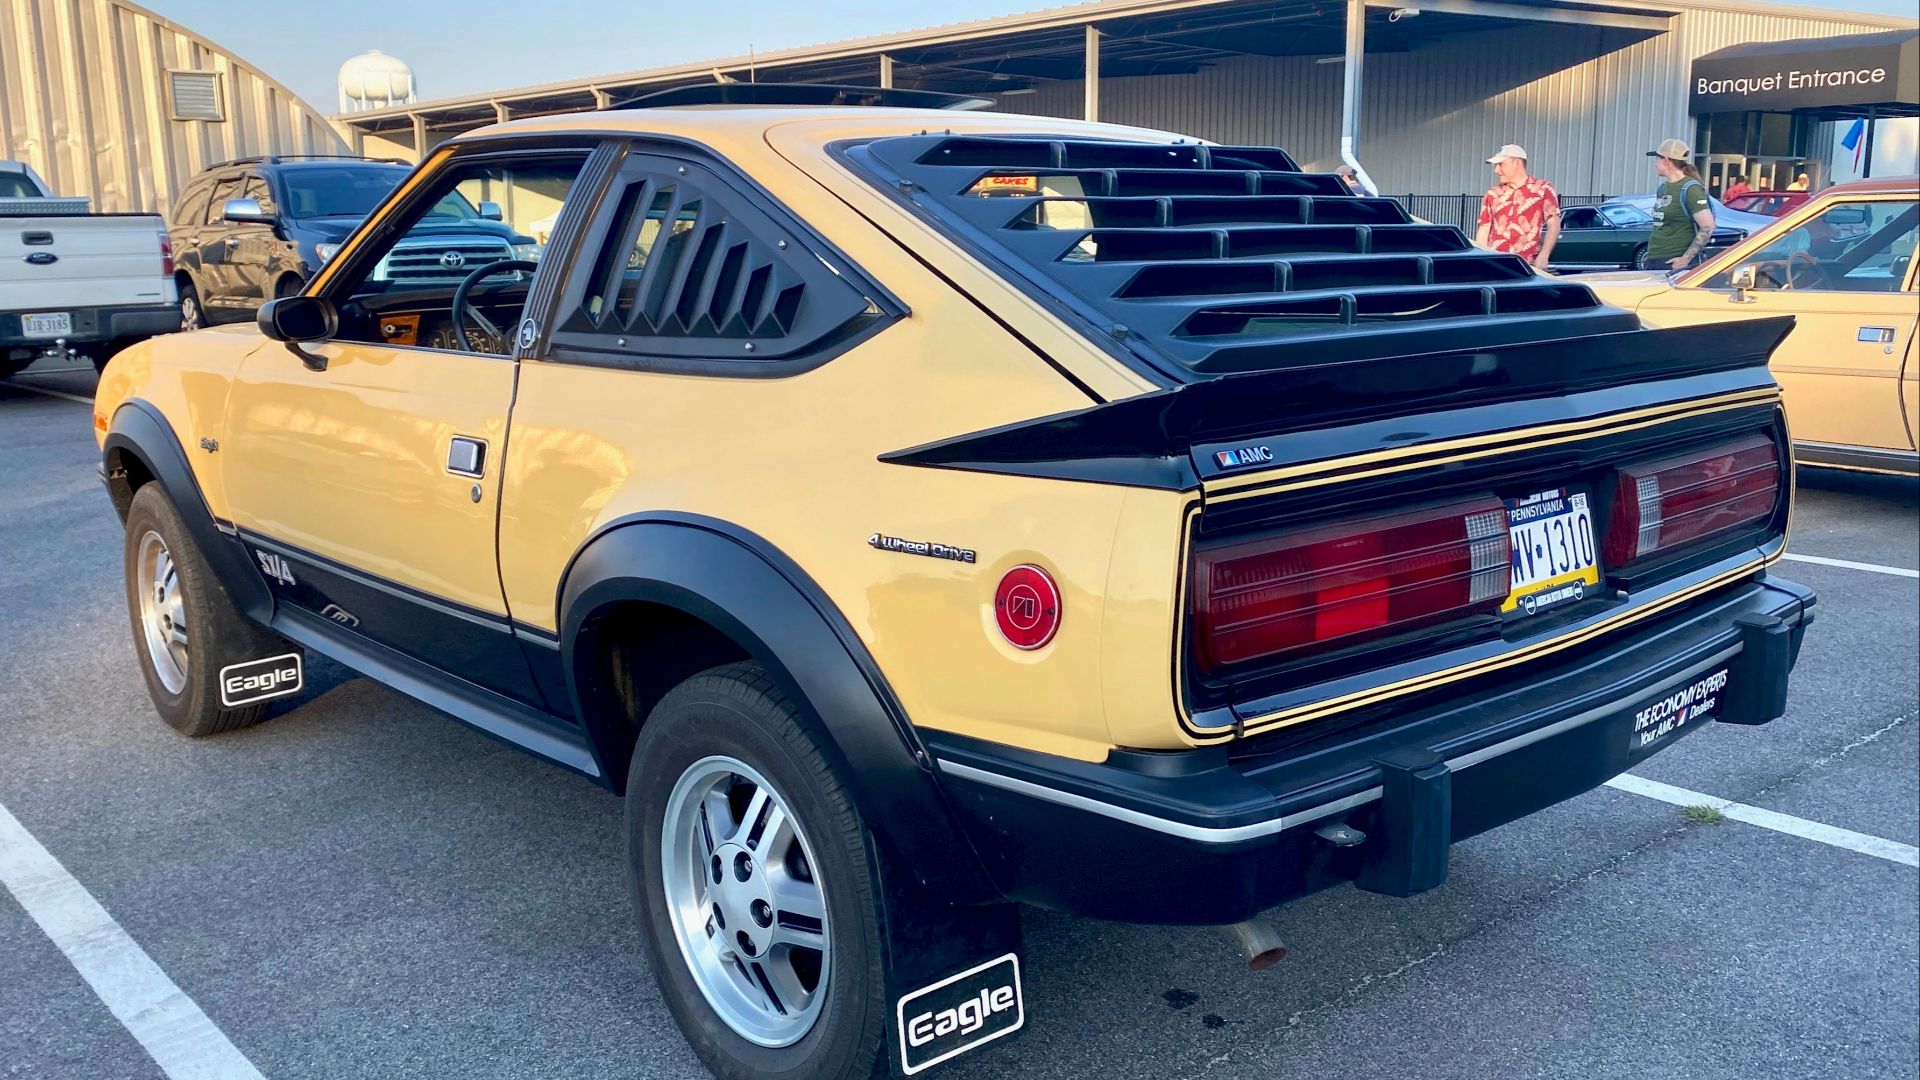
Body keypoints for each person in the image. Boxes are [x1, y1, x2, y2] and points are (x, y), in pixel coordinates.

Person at [1473, 143, 1560, 270]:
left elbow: (1554, 224)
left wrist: (1544, 255)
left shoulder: (1542, 189)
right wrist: (1480, 259)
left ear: (1517, 163)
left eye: (1501, 164)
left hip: (1527, 266)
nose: (1496, 170)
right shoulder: (1493, 194)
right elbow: (1484, 229)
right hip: (1496, 265)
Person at [1644, 138, 1714, 271]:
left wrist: (1686, 259)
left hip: (1674, 261)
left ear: (1665, 160)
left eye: (1657, 159)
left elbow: (1708, 226)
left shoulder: (1690, 189)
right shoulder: (1663, 188)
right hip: (1655, 259)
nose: (1655, 164)